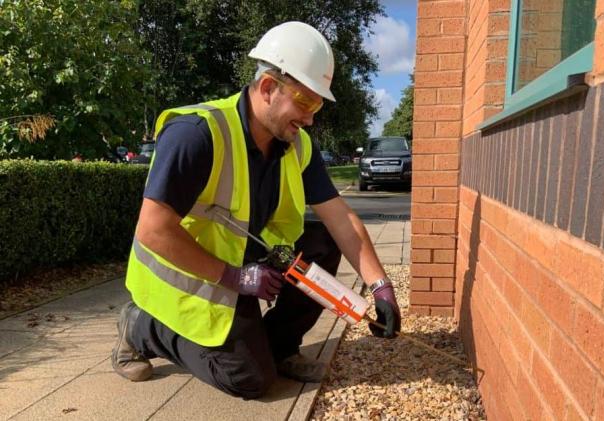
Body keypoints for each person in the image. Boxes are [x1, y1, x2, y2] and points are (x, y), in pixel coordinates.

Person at [111, 21, 401, 399]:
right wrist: (233, 278)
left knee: (323, 240)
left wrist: (380, 286)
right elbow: (152, 231)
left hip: (246, 266)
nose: (311, 117)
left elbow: (340, 217)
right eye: (306, 102)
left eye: (316, 105)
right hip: (196, 277)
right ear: (268, 88)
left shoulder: (296, 143)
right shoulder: (198, 135)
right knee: (249, 379)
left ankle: (279, 348)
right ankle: (141, 326)